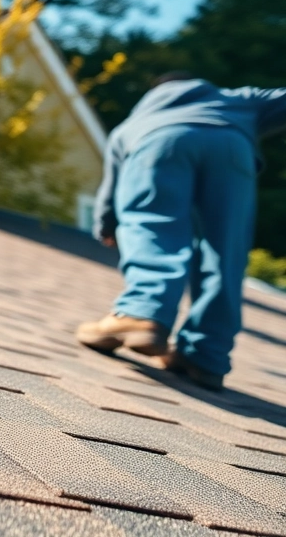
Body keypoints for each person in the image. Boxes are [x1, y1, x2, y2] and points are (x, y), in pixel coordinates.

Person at [76, 73, 286, 390]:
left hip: (156, 141)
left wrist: (106, 224)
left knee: (153, 224)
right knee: (225, 250)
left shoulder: (134, 122)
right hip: (231, 146)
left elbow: (112, 187)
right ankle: (206, 354)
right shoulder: (235, 99)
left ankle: (141, 313)